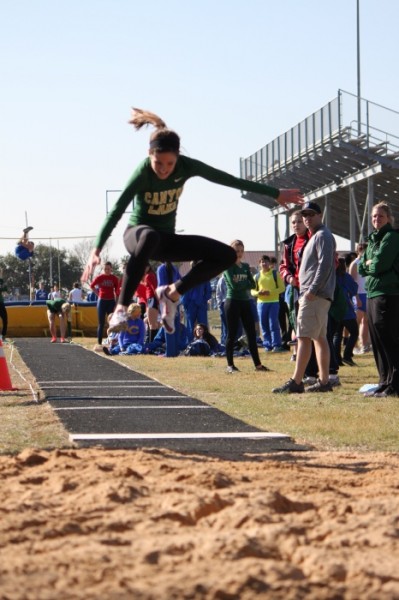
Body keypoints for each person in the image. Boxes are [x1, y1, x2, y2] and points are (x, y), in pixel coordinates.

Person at [81, 108, 303, 339]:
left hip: (167, 240)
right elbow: (116, 210)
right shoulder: (143, 172)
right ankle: (120, 310)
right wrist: (96, 249)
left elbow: (228, 179)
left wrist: (274, 193)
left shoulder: (186, 167)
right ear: (149, 154)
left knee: (226, 255)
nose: (164, 170)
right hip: (137, 236)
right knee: (150, 236)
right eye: (159, 163)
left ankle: (172, 294)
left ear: (178, 157)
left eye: (170, 163)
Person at [273, 201, 336, 393]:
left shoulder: (322, 235)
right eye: (305, 215)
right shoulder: (316, 236)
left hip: (313, 295)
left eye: (311, 215)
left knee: (303, 337)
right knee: (319, 338)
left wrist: (312, 290)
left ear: (320, 215)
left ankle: (297, 381)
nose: (307, 218)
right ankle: (324, 382)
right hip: (315, 295)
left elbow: (325, 265)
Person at [358, 202, 399, 398]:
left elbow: (380, 265)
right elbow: (360, 267)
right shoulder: (374, 239)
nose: (376, 219)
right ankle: (384, 382)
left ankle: (395, 384)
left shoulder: (391, 237)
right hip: (373, 293)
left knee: (389, 339)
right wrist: (369, 263)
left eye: (380, 216)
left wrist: (369, 263)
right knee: (377, 341)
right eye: (374, 216)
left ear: (389, 218)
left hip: (388, 293)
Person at [224, 240, 269, 373]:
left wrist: (241, 283)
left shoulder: (245, 266)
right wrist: (244, 283)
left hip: (245, 302)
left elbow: (253, 284)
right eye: (236, 251)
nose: (239, 253)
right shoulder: (228, 266)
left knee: (251, 333)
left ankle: (258, 365)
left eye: (241, 251)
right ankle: (230, 365)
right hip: (232, 302)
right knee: (231, 334)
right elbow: (234, 286)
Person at [252, 255, 286, 352]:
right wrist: (258, 293)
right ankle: (267, 345)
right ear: (259, 264)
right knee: (264, 324)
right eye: (262, 262)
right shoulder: (257, 276)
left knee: (273, 324)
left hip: (274, 302)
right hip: (261, 303)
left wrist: (270, 292)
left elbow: (282, 288)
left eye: (266, 261)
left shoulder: (275, 274)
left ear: (269, 263)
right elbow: (252, 290)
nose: (264, 263)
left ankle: (276, 345)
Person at [332, 257, 359, 367]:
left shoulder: (332, 277)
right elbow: (353, 289)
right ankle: (347, 355)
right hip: (346, 310)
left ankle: (336, 358)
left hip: (334, 310)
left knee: (337, 334)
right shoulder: (346, 277)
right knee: (354, 332)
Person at [90, 261, 119, 349]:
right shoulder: (100, 277)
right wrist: (98, 294)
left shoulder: (114, 278)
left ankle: (111, 341)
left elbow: (117, 291)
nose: (107, 270)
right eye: (105, 269)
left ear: (111, 269)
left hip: (111, 301)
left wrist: (116, 302)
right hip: (102, 301)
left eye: (109, 269)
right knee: (101, 323)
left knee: (112, 322)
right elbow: (92, 286)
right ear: (103, 269)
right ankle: (99, 342)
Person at [182, 261, 212, 341]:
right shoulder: (187, 277)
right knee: (190, 326)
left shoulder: (204, 277)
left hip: (201, 304)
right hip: (190, 304)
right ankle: (189, 344)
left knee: (203, 325)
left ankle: (205, 342)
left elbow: (208, 291)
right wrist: (186, 304)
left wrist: (203, 300)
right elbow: (184, 292)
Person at [349, 243, 371, 353]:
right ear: (360, 251)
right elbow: (352, 282)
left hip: (367, 294)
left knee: (365, 321)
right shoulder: (355, 264)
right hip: (358, 294)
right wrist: (355, 297)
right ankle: (353, 345)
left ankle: (364, 345)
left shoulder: (368, 262)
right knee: (356, 322)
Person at [0, 270, 8, 340]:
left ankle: (3, 335)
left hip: (1, 302)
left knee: (5, 319)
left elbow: (5, 290)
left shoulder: (1, 281)